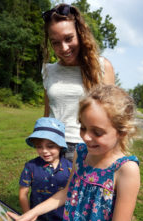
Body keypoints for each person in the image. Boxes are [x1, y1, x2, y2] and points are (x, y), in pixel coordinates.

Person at [8, 85, 140, 221]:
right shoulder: (81, 152)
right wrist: (33, 212)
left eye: (97, 132)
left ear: (122, 131)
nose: (86, 137)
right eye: (82, 127)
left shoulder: (126, 170)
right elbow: (67, 192)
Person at [41, 3, 115, 162]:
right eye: (55, 42)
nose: (64, 48)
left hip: (88, 148)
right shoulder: (48, 70)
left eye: (69, 38)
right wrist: (44, 144)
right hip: (54, 147)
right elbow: (48, 112)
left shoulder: (102, 68)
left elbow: (112, 119)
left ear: (80, 34)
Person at [18, 117, 72, 221]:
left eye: (50, 146)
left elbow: (72, 195)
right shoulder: (30, 166)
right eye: (39, 147)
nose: (44, 151)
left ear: (60, 145)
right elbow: (23, 194)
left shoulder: (70, 168)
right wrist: (28, 217)